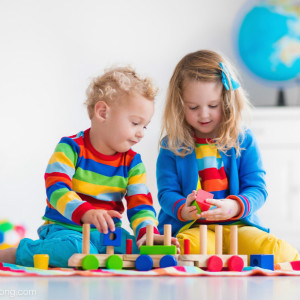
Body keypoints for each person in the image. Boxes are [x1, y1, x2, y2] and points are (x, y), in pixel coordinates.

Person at [0, 66, 179, 267]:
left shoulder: (133, 162)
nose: (141, 134)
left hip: (108, 235)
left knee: (143, 249)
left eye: (144, 126)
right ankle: (17, 254)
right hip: (66, 229)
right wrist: (86, 212)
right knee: (76, 249)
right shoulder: (71, 147)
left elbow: (141, 204)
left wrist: (147, 232)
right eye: (135, 123)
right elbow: (56, 188)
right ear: (103, 112)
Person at [156, 50, 299, 263]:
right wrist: (183, 210)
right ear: (179, 105)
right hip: (193, 227)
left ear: (227, 101)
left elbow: (257, 189)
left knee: (279, 252)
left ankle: (224, 257)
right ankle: (216, 258)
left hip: (237, 226)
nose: (204, 114)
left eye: (213, 106)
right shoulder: (171, 145)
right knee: (184, 249)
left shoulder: (243, 140)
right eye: (193, 107)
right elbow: (166, 192)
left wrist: (235, 207)